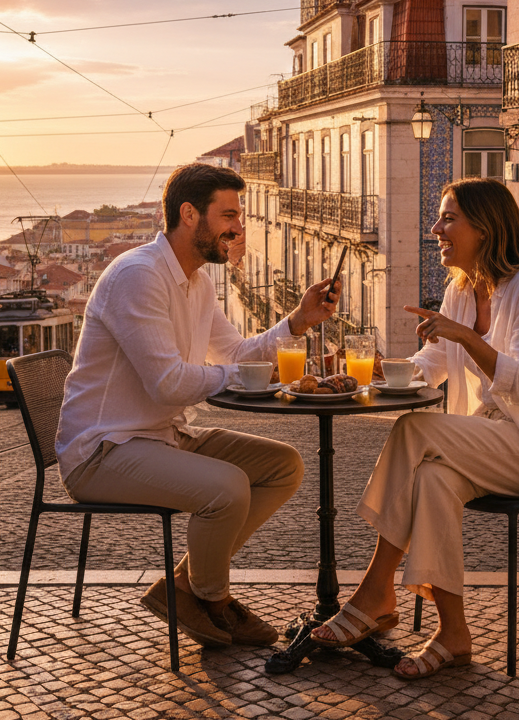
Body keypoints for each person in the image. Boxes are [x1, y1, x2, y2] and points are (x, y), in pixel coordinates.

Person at [310, 178, 519, 679]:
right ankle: (454, 633)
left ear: (484, 228)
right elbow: (433, 363)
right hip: (484, 441)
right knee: (433, 482)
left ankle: (376, 591)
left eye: (448, 219)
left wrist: (466, 336)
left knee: (414, 430)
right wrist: (383, 368)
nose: (436, 229)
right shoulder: (461, 289)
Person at [57, 163, 341, 650]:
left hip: (163, 436)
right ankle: (214, 598)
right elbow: (168, 383)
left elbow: (232, 355)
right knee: (227, 488)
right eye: (228, 215)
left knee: (283, 465)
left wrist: (296, 322)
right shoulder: (138, 276)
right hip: (103, 450)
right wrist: (255, 377)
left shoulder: (197, 282)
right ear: (189, 214)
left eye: (240, 216)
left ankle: (184, 588)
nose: (238, 228)